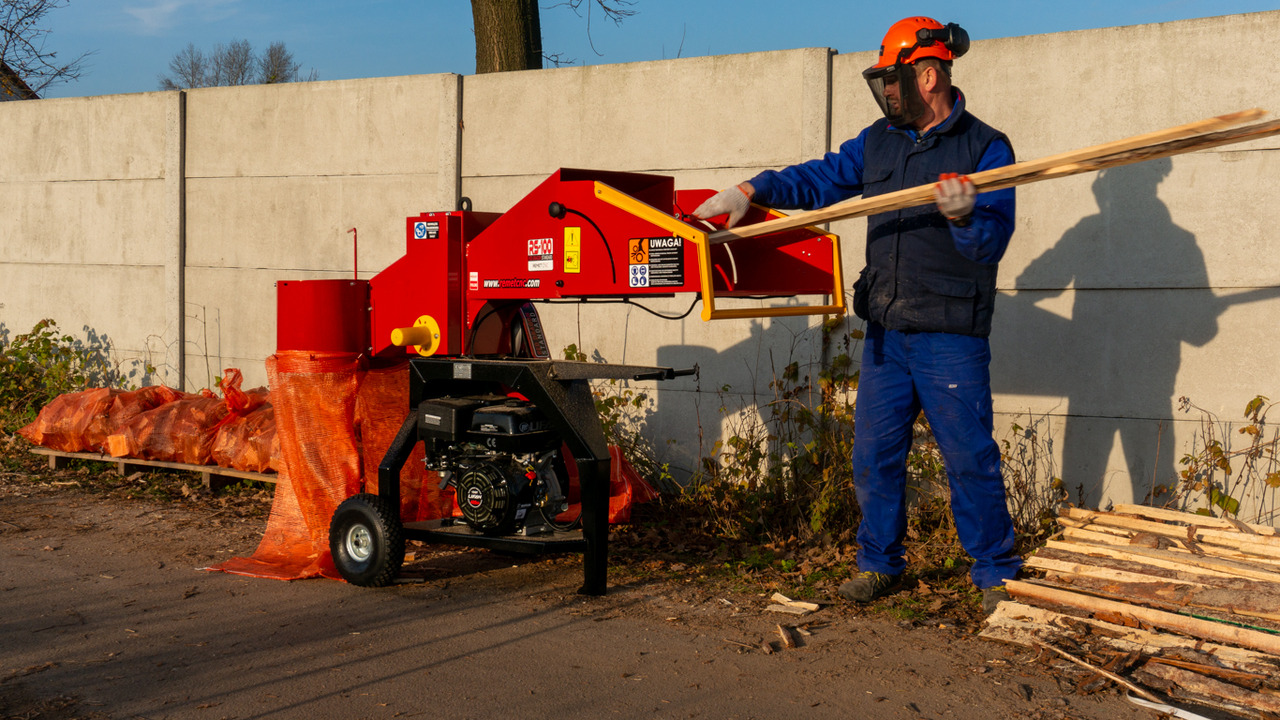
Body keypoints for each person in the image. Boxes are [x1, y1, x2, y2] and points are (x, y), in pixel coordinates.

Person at [694, 16, 1021, 614]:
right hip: (887, 332)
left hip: (950, 333)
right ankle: (880, 565)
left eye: (892, 80)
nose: (886, 91)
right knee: (873, 455)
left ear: (927, 76)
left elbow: (990, 245)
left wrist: (965, 214)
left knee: (970, 457)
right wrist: (752, 190)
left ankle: (996, 574)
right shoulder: (879, 141)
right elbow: (820, 179)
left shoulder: (985, 148)